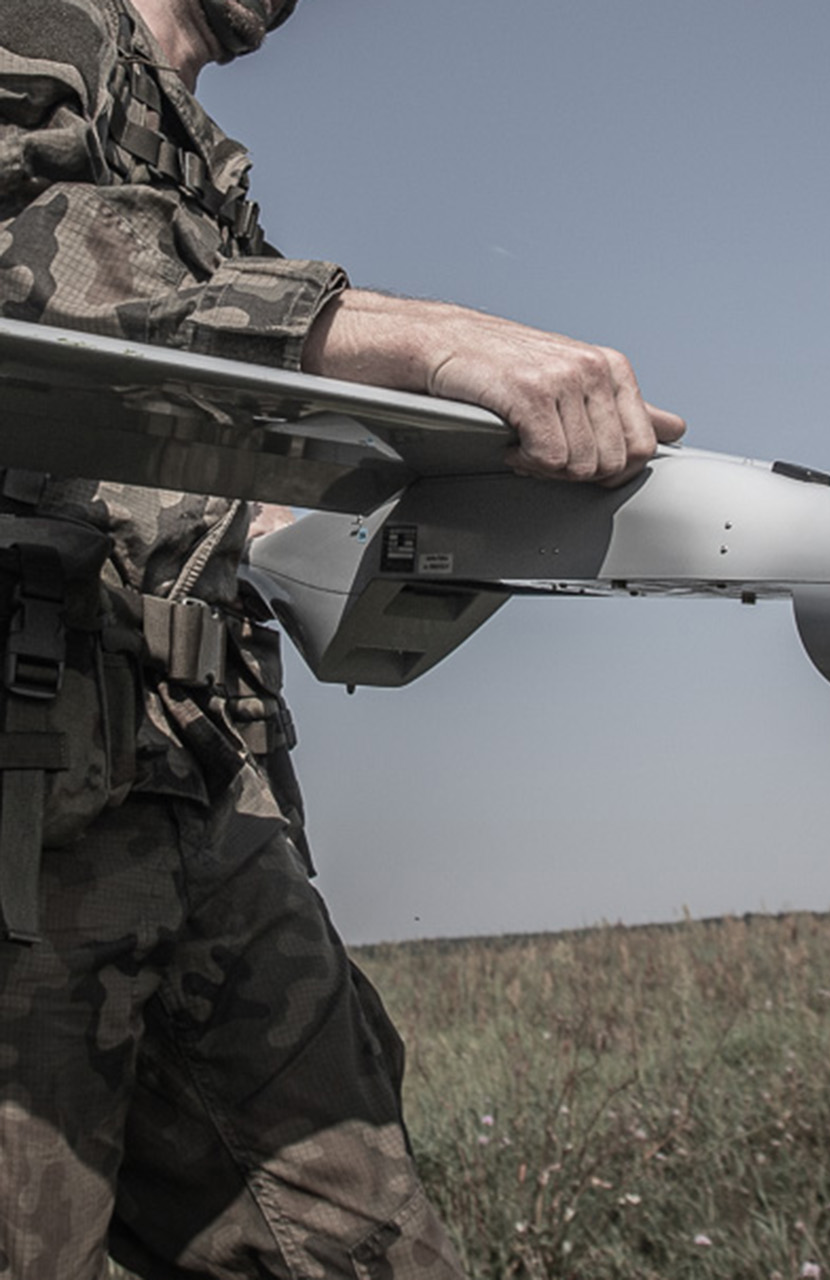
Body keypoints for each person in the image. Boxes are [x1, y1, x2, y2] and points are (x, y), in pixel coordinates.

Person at [0, 0, 684, 1273]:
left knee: (366, 1241)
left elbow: (190, 436)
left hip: (194, 777)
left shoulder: (191, 150)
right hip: (25, 810)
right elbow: (33, 256)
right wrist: (418, 340)